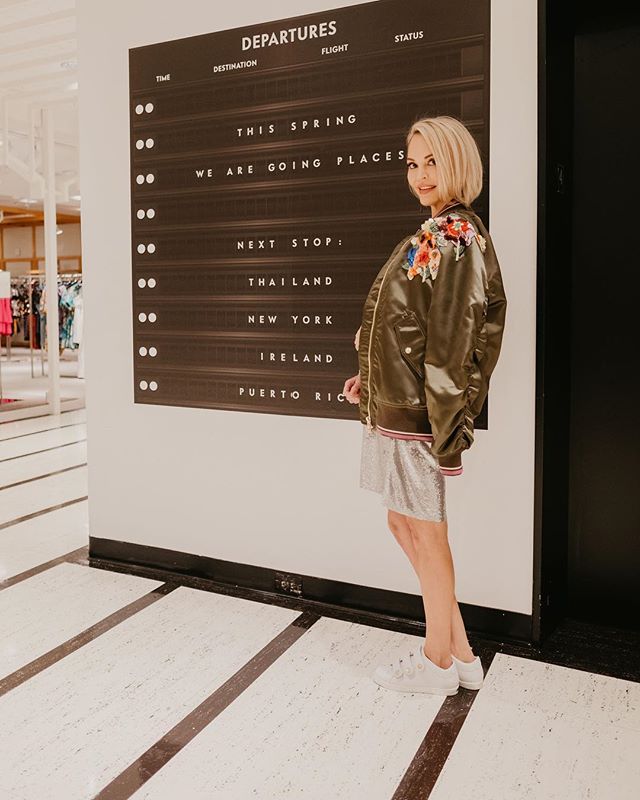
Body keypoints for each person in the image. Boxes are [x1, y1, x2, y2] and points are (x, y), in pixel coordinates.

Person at [342, 115, 507, 695]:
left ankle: (439, 660)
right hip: (399, 405)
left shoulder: (458, 236)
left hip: (419, 416)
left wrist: (447, 429)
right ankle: (460, 652)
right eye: (412, 164)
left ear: (457, 161)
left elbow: (455, 338)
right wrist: (371, 378)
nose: (420, 174)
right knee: (401, 521)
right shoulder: (437, 233)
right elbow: (403, 327)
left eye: (431, 160)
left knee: (427, 533)